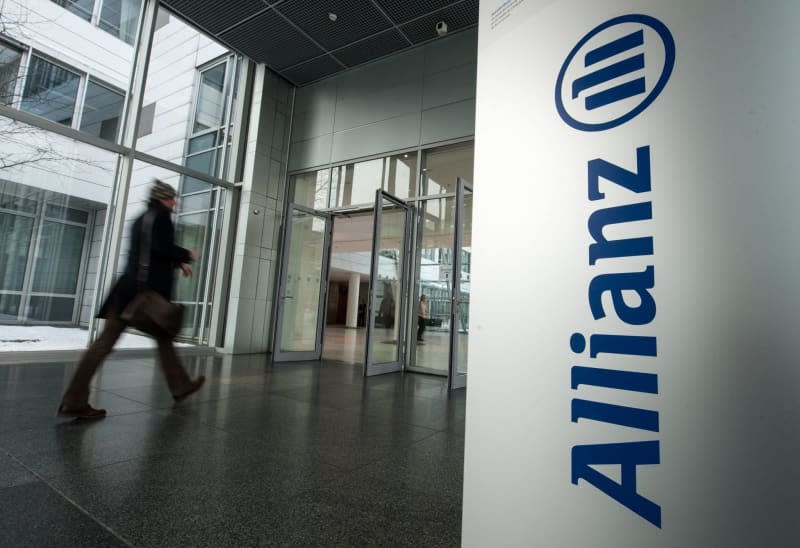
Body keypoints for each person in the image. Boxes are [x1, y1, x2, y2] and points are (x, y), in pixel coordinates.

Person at [57, 180, 205, 419]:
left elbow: (150, 250)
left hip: (128, 289)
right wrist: (186, 254)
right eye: (171, 198)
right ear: (163, 199)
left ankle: (181, 386)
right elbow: (161, 247)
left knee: (161, 337)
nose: (175, 202)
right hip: (140, 295)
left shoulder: (143, 218)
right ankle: (73, 401)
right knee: (105, 344)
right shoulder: (161, 217)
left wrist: (179, 263)